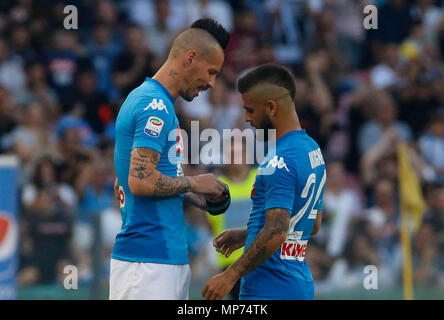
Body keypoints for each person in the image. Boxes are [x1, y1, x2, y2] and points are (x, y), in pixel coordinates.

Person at [109, 19, 231, 300]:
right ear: (190, 58)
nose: (212, 83)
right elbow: (139, 181)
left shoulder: (159, 104)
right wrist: (193, 183)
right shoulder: (154, 105)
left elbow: (126, 178)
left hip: (164, 260)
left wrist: (195, 197)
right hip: (146, 264)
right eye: (211, 72)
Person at [202, 63, 326, 300]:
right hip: (297, 285)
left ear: (271, 107)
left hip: (270, 289)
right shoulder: (312, 150)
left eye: (250, 110)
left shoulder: (279, 159)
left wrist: (230, 276)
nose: (246, 118)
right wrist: (249, 234)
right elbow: (313, 223)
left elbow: (277, 231)